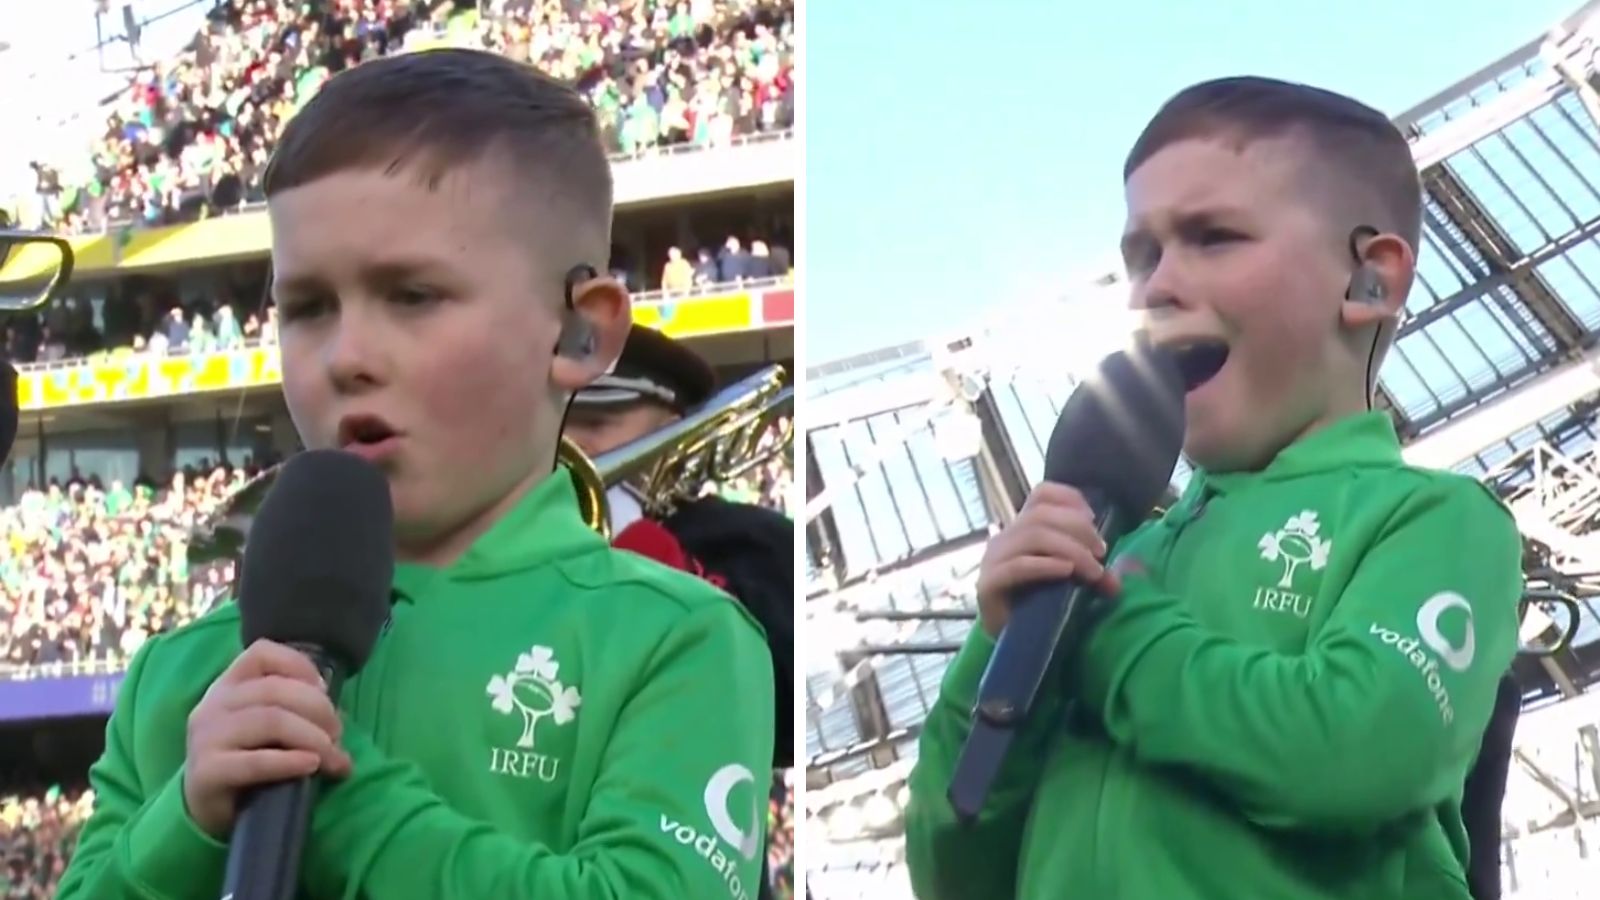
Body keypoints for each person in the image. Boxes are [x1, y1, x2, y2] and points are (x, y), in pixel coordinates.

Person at [55, 49, 775, 900]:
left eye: (413, 296)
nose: (346, 357)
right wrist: (185, 826)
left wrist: (337, 791)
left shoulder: (676, 640)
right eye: (308, 308)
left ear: (581, 334)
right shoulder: (180, 672)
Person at [904, 76, 1524, 900]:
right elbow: (955, 874)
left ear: (1370, 281)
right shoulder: (1113, 558)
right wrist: (999, 655)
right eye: (1141, 255)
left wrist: (1114, 634)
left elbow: (1358, 752)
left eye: (1214, 237)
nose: (1155, 286)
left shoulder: (1437, 521)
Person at [564, 323, 795, 900]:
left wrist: (642, 546)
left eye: (596, 423)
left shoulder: (751, 539)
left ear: (674, 426)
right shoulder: (509, 538)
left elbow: (784, 708)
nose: (571, 445)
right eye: (558, 423)